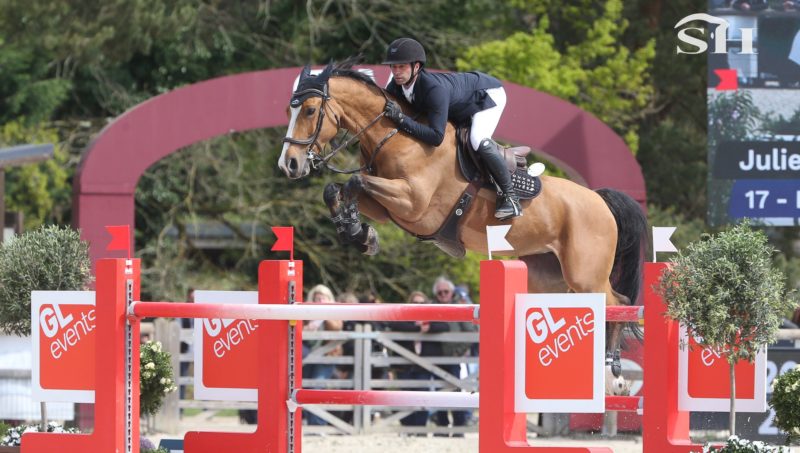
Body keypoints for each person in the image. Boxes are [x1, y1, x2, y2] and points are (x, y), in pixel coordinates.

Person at [381, 37, 544, 221]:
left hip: (487, 96)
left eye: (401, 67)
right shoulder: (396, 86)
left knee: (476, 139)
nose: (396, 72)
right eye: (393, 67)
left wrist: (401, 119)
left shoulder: (433, 90)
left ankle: (510, 196)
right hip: (462, 100)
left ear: (416, 67)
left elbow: (436, 137)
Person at [390, 291, 450, 432]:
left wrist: (428, 328)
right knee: (405, 397)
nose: (418, 305)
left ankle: (420, 429)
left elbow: (444, 326)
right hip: (404, 365)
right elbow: (394, 325)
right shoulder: (402, 317)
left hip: (425, 365)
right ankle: (408, 428)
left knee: (422, 396)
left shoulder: (432, 316)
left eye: (422, 303)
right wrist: (418, 328)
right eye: (415, 302)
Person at [430, 277, 475, 436]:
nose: (443, 294)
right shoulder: (431, 307)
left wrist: (459, 350)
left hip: (455, 358)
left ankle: (459, 427)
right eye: (440, 292)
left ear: (452, 292)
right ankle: (442, 426)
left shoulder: (461, 306)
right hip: (435, 358)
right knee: (439, 392)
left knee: (456, 392)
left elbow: (471, 332)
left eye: (446, 291)